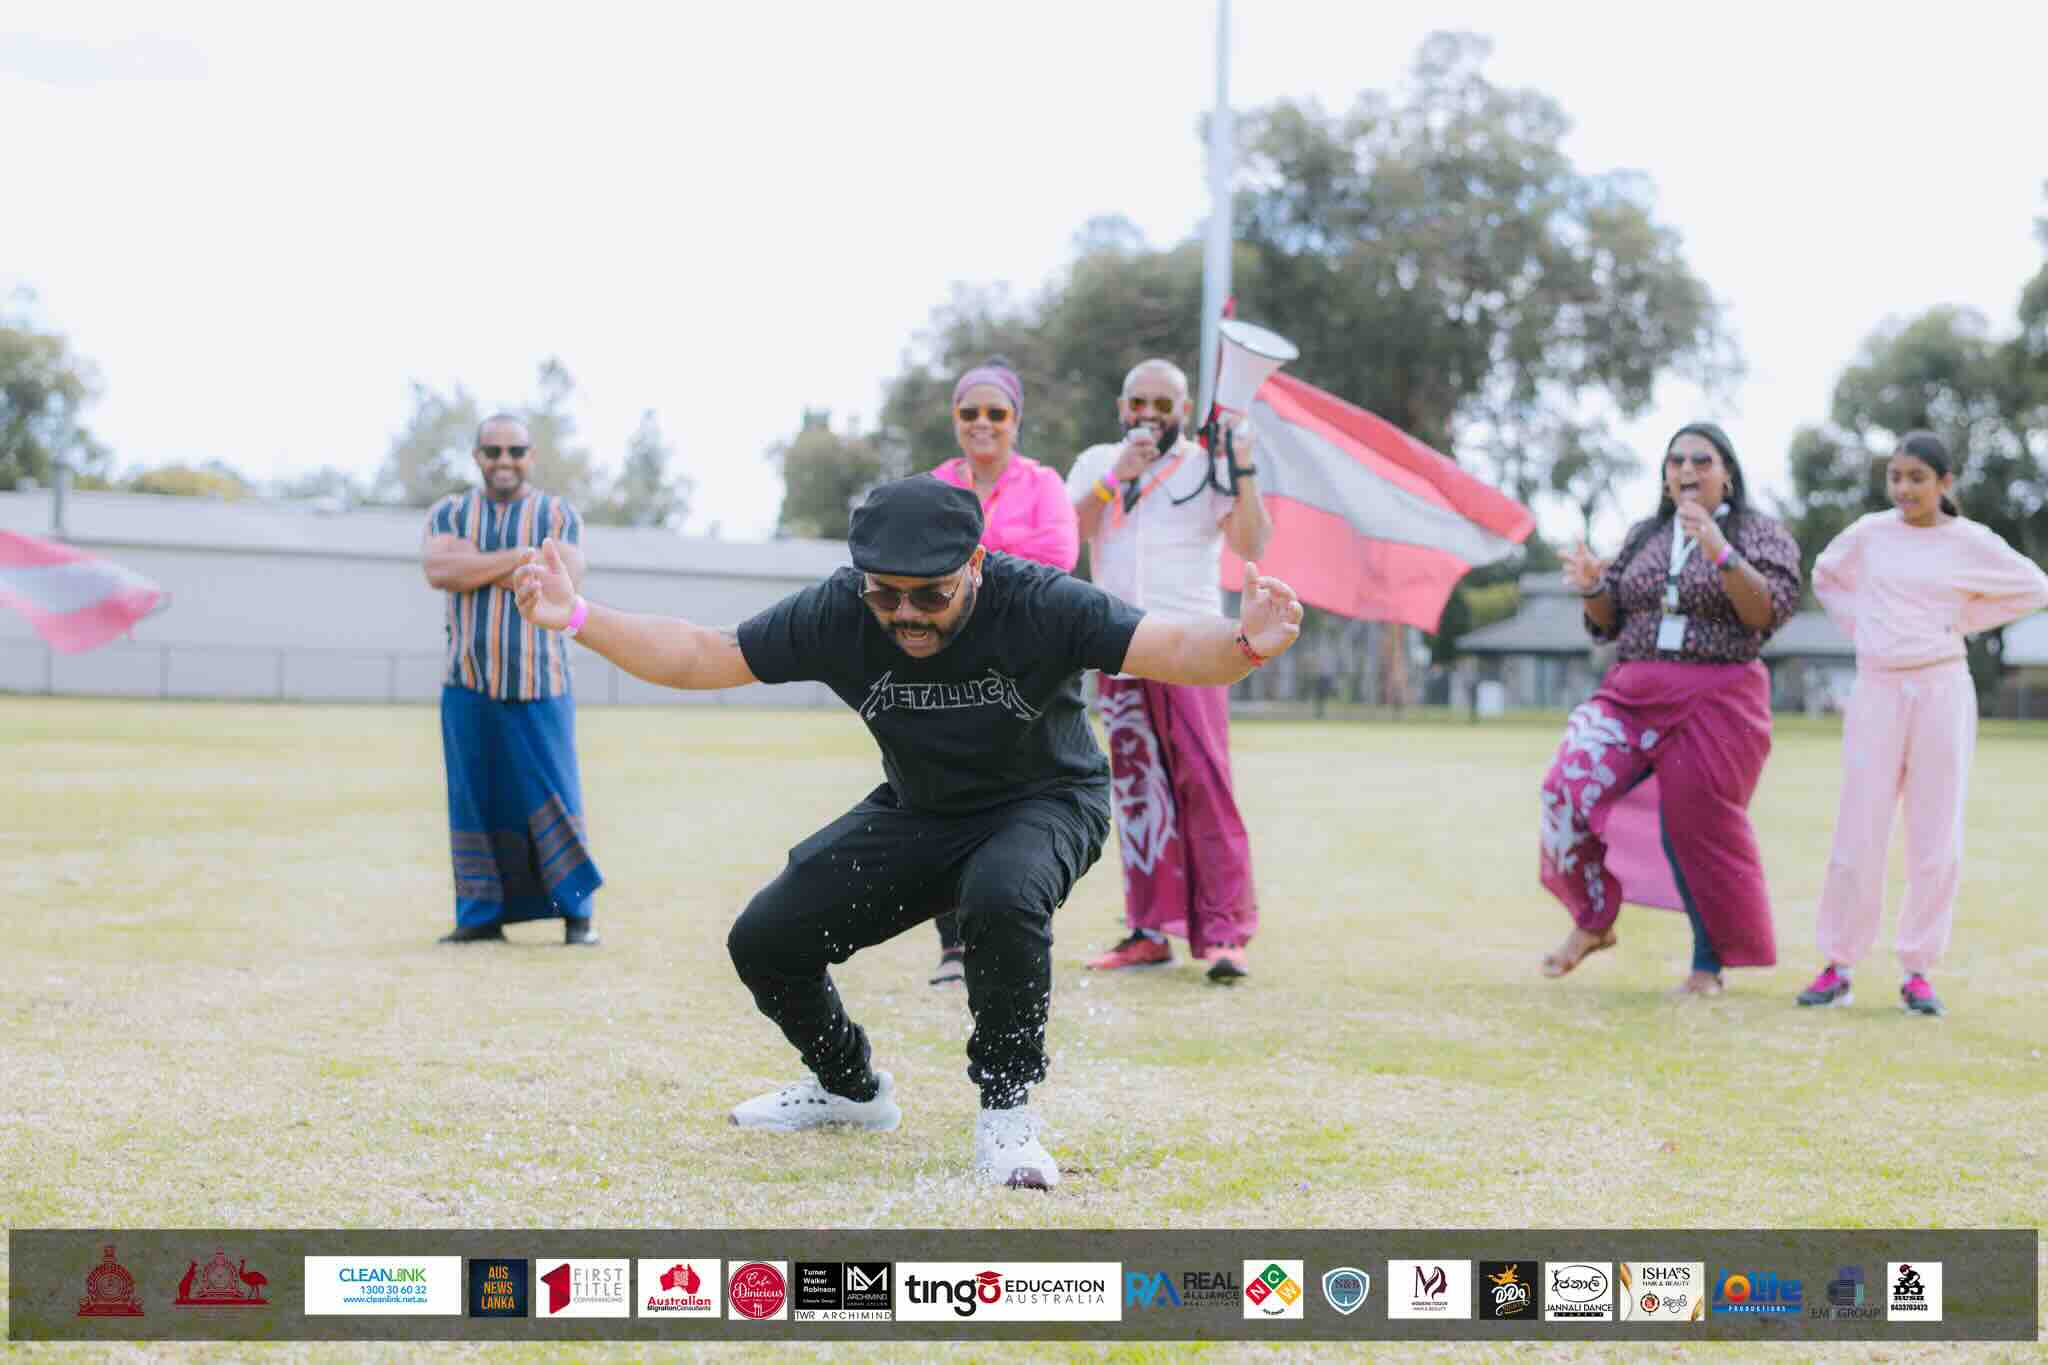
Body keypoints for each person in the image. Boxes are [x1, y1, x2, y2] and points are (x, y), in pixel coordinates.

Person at [509, 476, 1302, 1186]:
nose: (906, 615)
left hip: (1047, 798)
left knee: (1001, 894)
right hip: (922, 809)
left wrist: (1244, 643)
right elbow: (701, 655)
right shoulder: (839, 611)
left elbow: (1164, 645)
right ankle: (848, 1088)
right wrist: (574, 614)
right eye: (886, 595)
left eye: (930, 595)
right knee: (765, 937)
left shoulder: (1040, 603)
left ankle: (1007, 1111)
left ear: (977, 567)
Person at [1540, 422, 1801, 995]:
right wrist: (1592, 586)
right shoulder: (1643, 537)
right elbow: (1609, 622)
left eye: (1701, 460)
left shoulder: (1760, 534)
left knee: (1697, 827)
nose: (1686, 470)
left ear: (1727, 473)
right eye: (1675, 461)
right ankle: (1594, 918)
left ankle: (1707, 966)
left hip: (1719, 695)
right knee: (1566, 785)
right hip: (1633, 691)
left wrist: (1718, 547)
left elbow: (1767, 612)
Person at [1797, 431, 2048, 1016]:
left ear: (1945, 483)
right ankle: (1838, 963)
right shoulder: (1868, 534)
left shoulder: (1969, 541)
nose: (1904, 488)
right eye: (1896, 477)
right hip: (1878, 688)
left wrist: (1961, 618)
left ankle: (1918, 969)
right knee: (1859, 828)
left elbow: (2035, 586)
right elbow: (1826, 575)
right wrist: (1863, 625)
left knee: (1936, 835)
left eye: (1917, 478)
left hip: (1941, 688)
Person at [1063, 358, 1272, 982]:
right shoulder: (1096, 458)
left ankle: (1225, 934)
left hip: (1196, 643)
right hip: (1119, 640)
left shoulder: (1209, 464)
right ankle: (1149, 931)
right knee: (1137, 791)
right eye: (1138, 401)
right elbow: (1067, 534)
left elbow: (1252, 544)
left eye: (1163, 402)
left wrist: (1244, 467)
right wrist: (1112, 479)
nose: (1149, 413)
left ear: (1184, 410)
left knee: (1205, 784)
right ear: (1121, 407)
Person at [923, 357, 1080, 987]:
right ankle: (952, 946)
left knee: (1021, 800)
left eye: (997, 413)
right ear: (955, 420)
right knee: (936, 794)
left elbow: (1059, 556)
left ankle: (1014, 930)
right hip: (941, 661)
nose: (982, 423)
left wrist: (965, 560)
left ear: (1016, 420)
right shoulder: (935, 482)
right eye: (970, 413)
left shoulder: (1043, 482)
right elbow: (911, 555)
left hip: (1024, 665)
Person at [421, 414, 601, 946]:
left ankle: (577, 916)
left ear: (531, 456)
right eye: (492, 451)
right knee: (475, 798)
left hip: (541, 684)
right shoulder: (449, 511)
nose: (504, 461)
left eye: (515, 451)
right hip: (467, 683)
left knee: (554, 797)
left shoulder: (557, 513)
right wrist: (523, 557)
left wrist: (474, 563)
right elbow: (439, 571)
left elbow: (562, 578)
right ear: (476, 456)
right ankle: (479, 917)